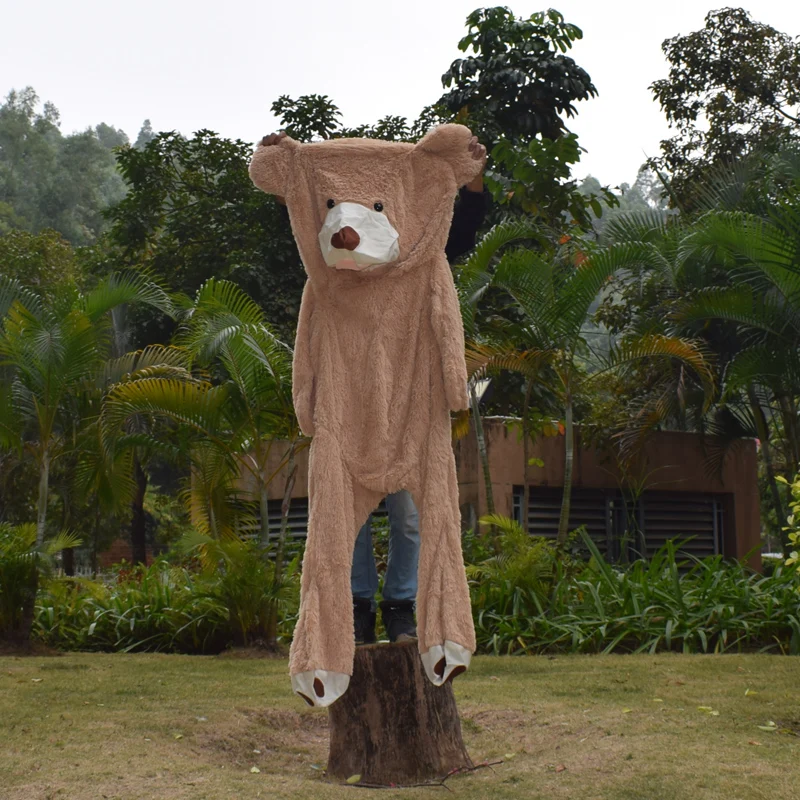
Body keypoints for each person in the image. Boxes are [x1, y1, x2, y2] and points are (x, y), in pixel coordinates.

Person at [261, 130, 488, 646]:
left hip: (407, 398)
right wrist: (292, 171)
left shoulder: (422, 246)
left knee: (409, 514)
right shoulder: (329, 272)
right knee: (348, 514)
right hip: (349, 396)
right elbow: (305, 210)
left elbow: (460, 229)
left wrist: (471, 180)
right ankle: (357, 608)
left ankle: (402, 607)